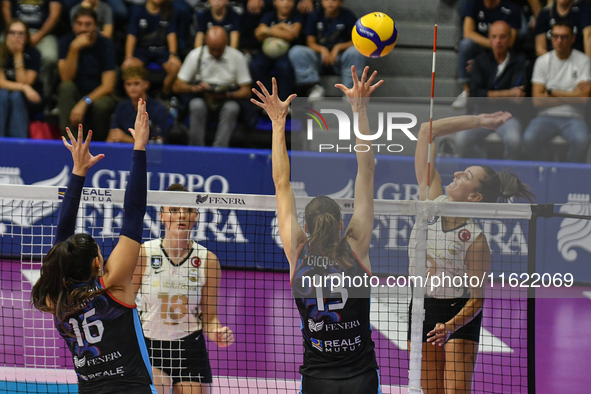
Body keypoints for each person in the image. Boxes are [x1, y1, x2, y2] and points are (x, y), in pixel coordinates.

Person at [252, 66, 382, 393]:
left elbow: (281, 183)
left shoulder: (298, 251)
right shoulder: (355, 248)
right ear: (342, 224)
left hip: (317, 379)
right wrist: (359, 110)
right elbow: (366, 170)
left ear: (306, 228)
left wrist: (278, 122)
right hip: (361, 377)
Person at [31, 100, 156, 393]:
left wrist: (78, 172)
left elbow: (62, 239)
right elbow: (135, 211)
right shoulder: (113, 287)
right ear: (98, 264)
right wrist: (139, 148)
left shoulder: (56, 301)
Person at [410, 111, 535, 393]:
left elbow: (477, 299)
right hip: (421, 307)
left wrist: (450, 326)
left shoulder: (476, 240)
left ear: (474, 197)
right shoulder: (429, 200)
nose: (455, 173)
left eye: (465, 176)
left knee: (455, 391)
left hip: (459, 313)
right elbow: (427, 130)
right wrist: (480, 121)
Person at [133, 183, 234, 394]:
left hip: (189, 347)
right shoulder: (144, 253)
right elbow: (126, 304)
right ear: (162, 216)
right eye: (174, 210)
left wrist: (216, 332)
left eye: (188, 210)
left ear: (195, 216)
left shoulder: (208, 260)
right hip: (150, 345)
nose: (182, 216)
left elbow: (210, 317)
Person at [455, 21, 527, 160]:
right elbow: (475, 94)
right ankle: (486, 170)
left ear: (510, 38)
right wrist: (508, 93)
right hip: (482, 114)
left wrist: (489, 95)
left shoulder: (519, 62)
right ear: (489, 39)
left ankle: (505, 175)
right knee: (461, 139)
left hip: (508, 116)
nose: (498, 41)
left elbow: (519, 96)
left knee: (514, 141)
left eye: (502, 37)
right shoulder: (480, 61)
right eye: (494, 37)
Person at [523, 21, 591, 162]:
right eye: (555, 36)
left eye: (564, 37)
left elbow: (584, 99)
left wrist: (552, 91)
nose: (559, 41)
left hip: (575, 116)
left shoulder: (584, 60)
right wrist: (573, 94)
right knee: (529, 138)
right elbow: (536, 101)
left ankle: (567, 177)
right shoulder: (543, 61)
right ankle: (546, 172)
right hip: (545, 115)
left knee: (582, 140)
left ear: (572, 39)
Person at [173, 26, 252, 147]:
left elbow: (246, 90)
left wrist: (228, 94)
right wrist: (194, 88)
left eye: (219, 49)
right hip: (203, 98)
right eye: (212, 48)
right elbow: (177, 86)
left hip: (227, 98)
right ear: (206, 43)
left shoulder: (237, 57)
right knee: (196, 105)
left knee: (232, 108)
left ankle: (220, 150)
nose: (215, 52)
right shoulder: (195, 55)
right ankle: (196, 150)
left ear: (226, 43)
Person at [58, 8, 117, 141]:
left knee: (103, 104)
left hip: (97, 95)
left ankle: (98, 145)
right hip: (76, 92)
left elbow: (108, 86)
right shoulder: (66, 42)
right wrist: (74, 49)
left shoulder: (105, 44)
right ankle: (71, 143)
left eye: (88, 24)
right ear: (73, 25)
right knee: (65, 88)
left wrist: (85, 102)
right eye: (79, 24)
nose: (83, 29)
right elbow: (66, 78)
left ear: (95, 26)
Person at [287, 0, 365, 100]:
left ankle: (350, 91)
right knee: (297, 51)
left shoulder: (347, 16)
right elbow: (310, 42)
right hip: (319, 59)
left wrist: (338, 48)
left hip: (341, 59)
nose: (330, 3)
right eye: (327, 0)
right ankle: (313, 87)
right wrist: (322, 50)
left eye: (334, 0)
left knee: (356, 51)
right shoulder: (315, 15)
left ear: (340, 2)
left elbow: (356, 41)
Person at [453, 0, 522, 109]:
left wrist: (496, 43)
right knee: (465, 45)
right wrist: (494, 44)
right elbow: (468, 33)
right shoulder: (473, 3)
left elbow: (510, 41)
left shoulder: (511, 8)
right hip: (480, 48)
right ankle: (467, 91)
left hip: (501, 51)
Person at [2, 0, 61, 100]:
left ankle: (44, 97)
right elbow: (5, 8)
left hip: (42, 32)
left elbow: (54, 15)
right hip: (15, 29)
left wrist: (38, 35)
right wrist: (12, 33)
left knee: (49, 57)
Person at [123, 0, 182, 97]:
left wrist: (173, 55)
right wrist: (128, 57)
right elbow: (131, 35)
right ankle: (136, 98)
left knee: (176, 66)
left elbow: (171, 34)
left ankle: (165, 94)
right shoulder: (138, 11)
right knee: (127, 67)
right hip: (143, 51)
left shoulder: (168, 12)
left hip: (161, 50)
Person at [249, 0, 303, 101]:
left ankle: (283, 102)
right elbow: (258, 34)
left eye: (289, 1)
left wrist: (268, 30)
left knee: (284, 67)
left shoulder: (296, 17)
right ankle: (267, 101)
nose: (286, 3)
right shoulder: (269, 15)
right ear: (275, 3)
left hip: (286, 53)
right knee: (256, 66)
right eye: (282, 0)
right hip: (266, 53)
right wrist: (281, 27)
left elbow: (291, 35)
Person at [0, 19, 43, 138]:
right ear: (6, 35)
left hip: (29, 98)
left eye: (21, 33)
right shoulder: (1, 52)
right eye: (12, 33)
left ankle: (18, 143)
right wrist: (24, 87)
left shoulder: (33, 53)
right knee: (2, 95)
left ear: (27, 36)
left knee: (16, 96)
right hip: (8, 94)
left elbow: (26, 81)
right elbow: (1, 82)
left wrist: (17, 55)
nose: (16, 37)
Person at [107, 66, 170, 143]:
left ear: (146, 84)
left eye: (136, 84)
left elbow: (158, 143)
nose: (132, 88)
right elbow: (112, 137)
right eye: (128, 84)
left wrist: (127, 139)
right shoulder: (121, 108)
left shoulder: (158, 109)